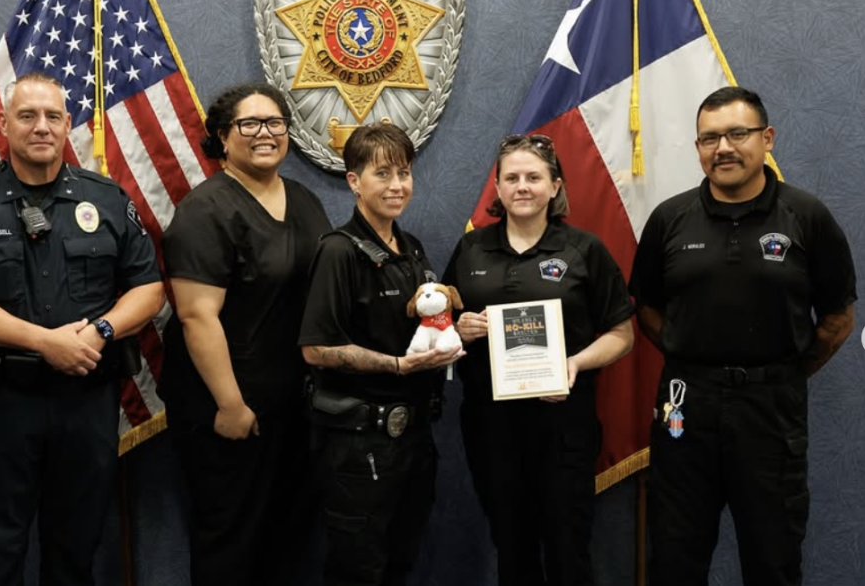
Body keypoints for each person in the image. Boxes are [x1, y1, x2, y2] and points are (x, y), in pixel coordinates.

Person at [0, 72, 165, 586]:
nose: (42, 127)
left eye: (53, 116)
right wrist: (47, 343)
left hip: (85, 403)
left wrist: (101, 330)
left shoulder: (106, 199)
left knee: (76, 550)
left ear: (67, 125)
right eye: (28, 115)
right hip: (1, 403)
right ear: (3, 123)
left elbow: (149, 290)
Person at [631, 86, 856, 586]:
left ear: (767, 138)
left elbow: (839, 318)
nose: (723, 148)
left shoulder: (807, 216)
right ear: (698, 148)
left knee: (773, 558)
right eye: (709, 138)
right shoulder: (669, 219)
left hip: (771, 408)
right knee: (674, 555)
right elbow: (645, 308)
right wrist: (687, 352)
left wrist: (785, 369)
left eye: (738, 133)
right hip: (686, 406)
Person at [443, 134, 634, 586]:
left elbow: (622, 334)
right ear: (498, 187)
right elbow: (440, 328)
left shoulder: (584, 250)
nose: (522, 186)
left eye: (533, 177)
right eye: (511, 177)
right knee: (512, 547)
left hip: (563, 426)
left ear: (555, 186)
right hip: (492, 427)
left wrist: (574, 363)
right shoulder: (472, 250)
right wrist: (459, 328)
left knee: (569, 548)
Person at [160, 83, 331, 585]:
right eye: (250, 124)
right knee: (230, 541)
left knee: (287, 539)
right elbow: (197, 316)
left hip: (292, 406)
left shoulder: (303, 199)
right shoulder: (205, 210)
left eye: (275, 123)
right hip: (227, 407)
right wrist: (231, 405)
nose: (265, 134)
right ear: (221, 136)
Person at [299, 123, 460, 586]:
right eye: (382, 173)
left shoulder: (411, 250)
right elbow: (316, 348)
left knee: (401, 560)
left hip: (414, 437)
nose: (396, 185)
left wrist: (457, 328)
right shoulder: (338, 252)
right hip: (359, 442)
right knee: (359, 569)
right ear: (354, 181)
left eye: (404, 173)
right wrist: (396, 366)